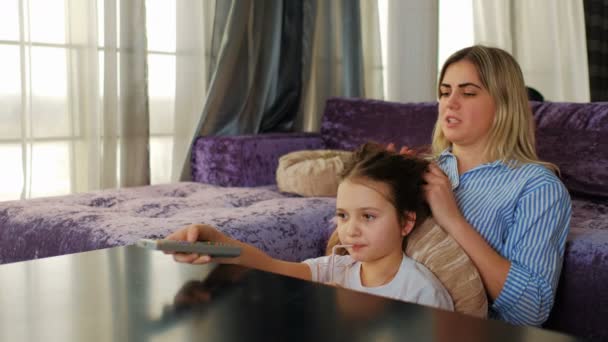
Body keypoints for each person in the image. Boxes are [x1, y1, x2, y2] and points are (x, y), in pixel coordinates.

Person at [390, 45, 571, 326]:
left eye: (469, 92)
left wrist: (452, 218)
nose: (451, 102)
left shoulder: (537, 187)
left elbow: (530, 311)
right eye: (445, 92)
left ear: (504, 104)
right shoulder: (421, 167)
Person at [165, 143, 454, 311]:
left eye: (367, 216)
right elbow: (269, 265)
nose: (350, 230)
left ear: (405, 222)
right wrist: (214, 239)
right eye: (343, 215)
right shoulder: (336, 268)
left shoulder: (422, 293)